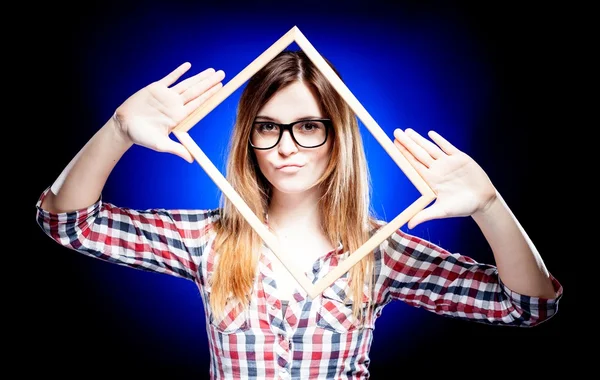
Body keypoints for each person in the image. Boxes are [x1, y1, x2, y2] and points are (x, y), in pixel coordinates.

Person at [35, 50, 562, 379]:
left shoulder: (382, 251)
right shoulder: (206, 240)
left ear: (338, 139)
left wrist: (491, 206)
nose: (286, 146)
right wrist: (117, 130)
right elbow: (67, 224)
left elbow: (528, 306)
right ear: (250, 139)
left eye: (309, 126)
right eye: (268, 127)